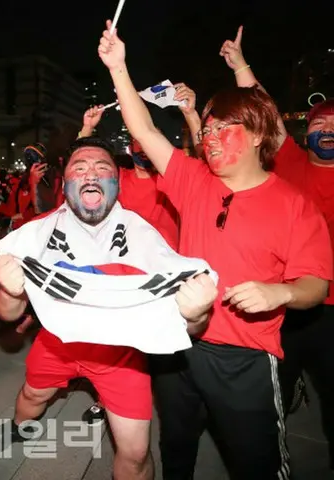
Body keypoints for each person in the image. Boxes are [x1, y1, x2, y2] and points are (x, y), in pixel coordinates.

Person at [98, 20, 332, 480]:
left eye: (226, 127)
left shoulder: (293, 203)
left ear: (260, 134)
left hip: (243, 357)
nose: (210, 135)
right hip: (178, 346)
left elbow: (315, 283)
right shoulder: (193, 181)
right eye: (207, 127)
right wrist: (118, 68)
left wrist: (279, 293)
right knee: (177, 445)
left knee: (257, 462)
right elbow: (145, 131)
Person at [0, 136, 219, 480]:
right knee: (32, 396)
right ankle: (20, 427)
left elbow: (186, 329)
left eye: (102, 168)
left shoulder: (147, 238)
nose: (91, 174)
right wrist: (8, 291)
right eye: (79, 168)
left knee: (137, 455)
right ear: (65, 184)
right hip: (57, 346)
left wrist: (197, 314)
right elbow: (6, 314)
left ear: (117, 182)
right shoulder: (36, 234)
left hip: (121, 358)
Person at [219, 25, 334, 471]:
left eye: (333, 126)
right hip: (286, 303)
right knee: (275, 392)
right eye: (318, 125)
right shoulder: (291, 161)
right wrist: (241, 66)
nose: (325, 131)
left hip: (332, 310)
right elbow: (266, 113)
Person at [77, 106, 181, 426]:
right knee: (118, 344)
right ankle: (105, 398)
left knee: (162, 350)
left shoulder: (176, 179)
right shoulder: (119, 180)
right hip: (124, 276)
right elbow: (84, 167)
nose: (142, 151)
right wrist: (86, 128)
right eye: (135, 145)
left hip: (165, 276)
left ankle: (170, 401)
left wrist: (190, 117)